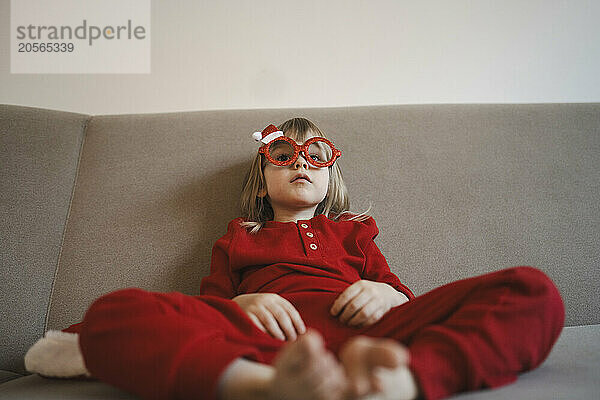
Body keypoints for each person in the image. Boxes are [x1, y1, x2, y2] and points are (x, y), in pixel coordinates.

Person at [77, 118, 565, 400]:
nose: (301, 163)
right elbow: (209, 305)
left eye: (315, 154)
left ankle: (401, 383)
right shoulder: (239, 237)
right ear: (260, 181)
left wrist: (386, 293)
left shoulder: (354, 231)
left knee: (532, 289)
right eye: (283, 155)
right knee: (111, 313)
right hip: (269, 346)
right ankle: (267, 389)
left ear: (332, 176)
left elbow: (402, 293)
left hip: (374, 338)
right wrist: (242, 305)